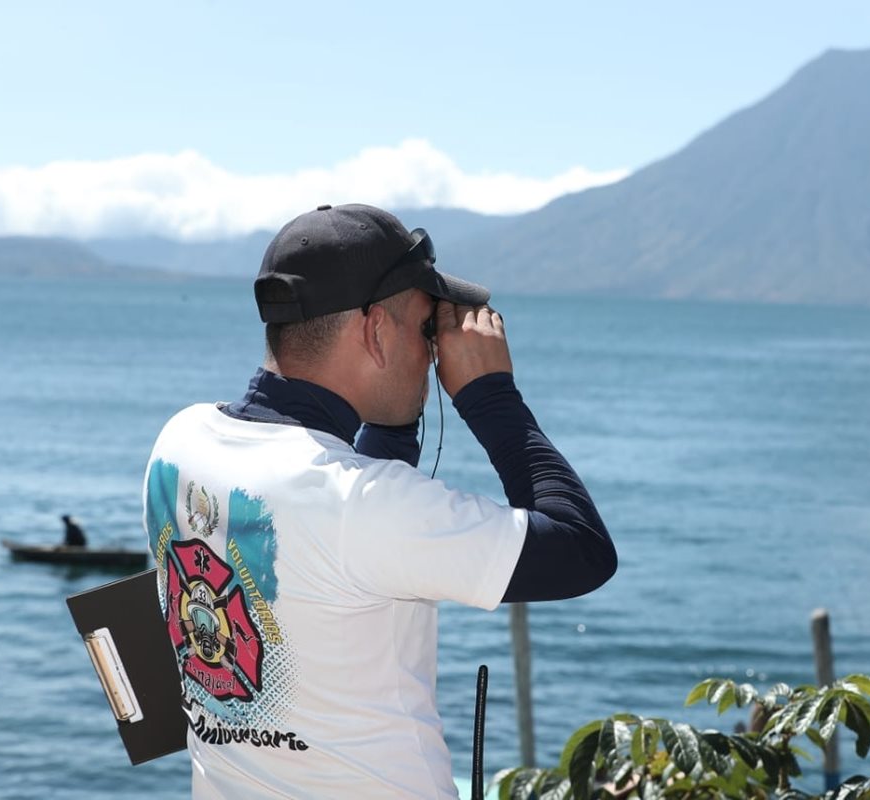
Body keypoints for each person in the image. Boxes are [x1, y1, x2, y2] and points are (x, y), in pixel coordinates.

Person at [142, 203, 616, 799]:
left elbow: (338, 522)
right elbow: (582, 552)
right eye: (426, 330)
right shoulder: (361, 504)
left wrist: (398, 413)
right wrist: (492, 397)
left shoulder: (178, 443)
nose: (435, 352)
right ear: (374, 331)